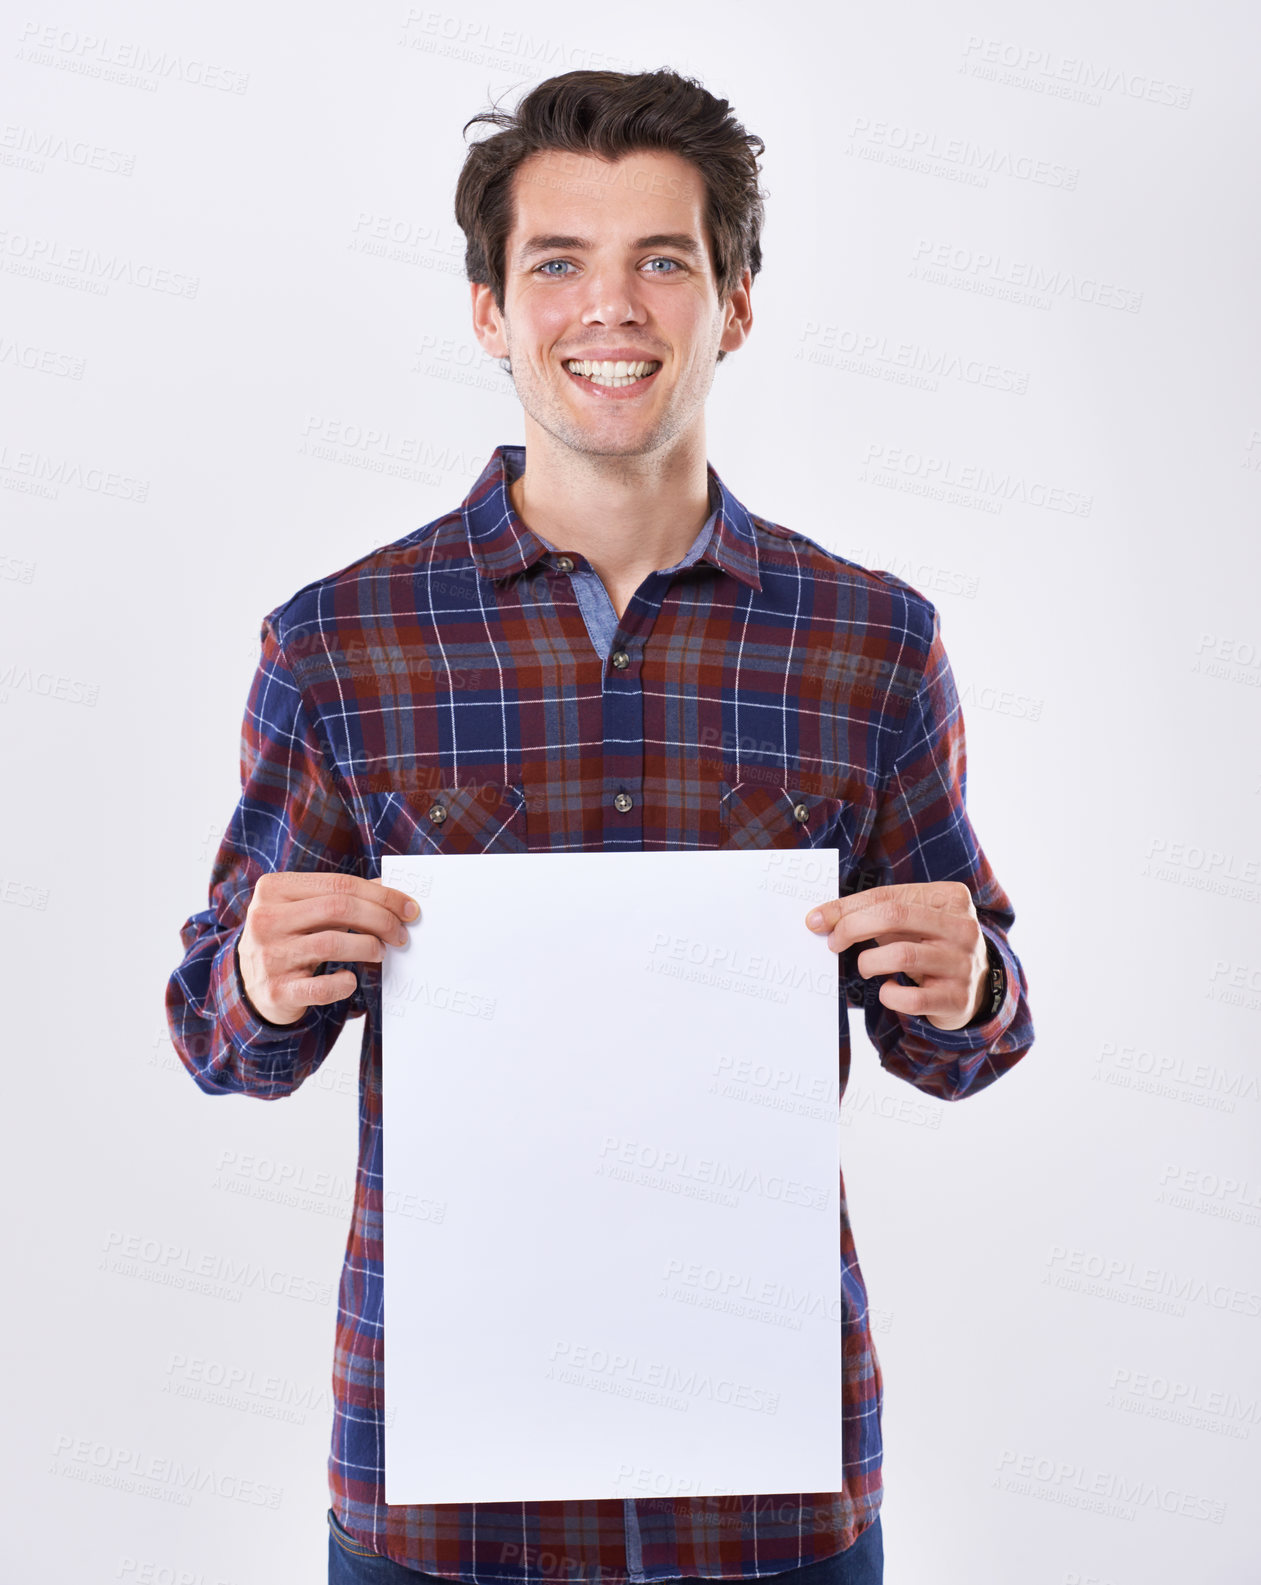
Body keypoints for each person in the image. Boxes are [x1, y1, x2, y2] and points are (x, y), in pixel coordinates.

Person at [166, 67, 1034, 1585]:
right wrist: (254, 973)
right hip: (441, 1491)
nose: (608, 308)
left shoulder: (870, 643)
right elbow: (221, 1037)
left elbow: (962, 1039)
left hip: (765, 1490)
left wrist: (968, 985)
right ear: (492, 312)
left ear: (735, 303)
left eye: (663, 261)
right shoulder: (340, 643)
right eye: (556, 262)